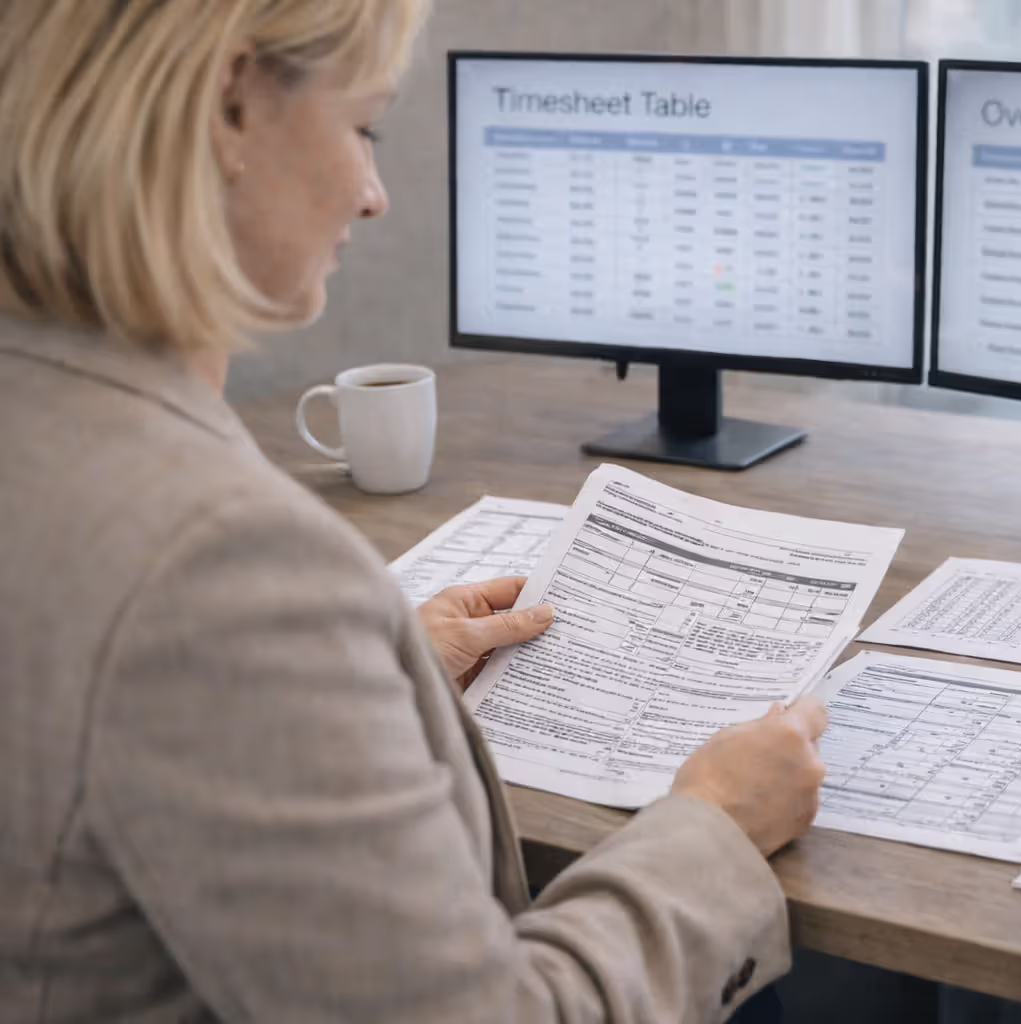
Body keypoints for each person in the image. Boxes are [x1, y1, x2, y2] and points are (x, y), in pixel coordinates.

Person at [0, 2, 828, 1021]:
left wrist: (367, 678)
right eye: (365, 128)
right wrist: (714, 825)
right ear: (227, 104)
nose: (373, 193)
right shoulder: (219, 569)